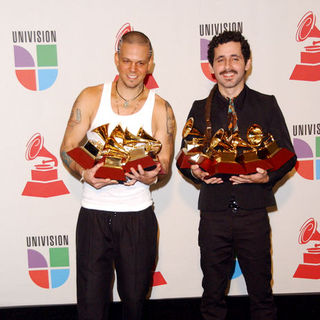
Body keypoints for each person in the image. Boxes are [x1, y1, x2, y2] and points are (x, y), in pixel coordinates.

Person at [177, 31, 296, 320]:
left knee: (262, 296)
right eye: (220, 59)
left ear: (247, 63)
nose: (227, 65)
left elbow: (287, 154)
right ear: (211, 67)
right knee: (212, 297)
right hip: (214, 215)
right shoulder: (198, 108)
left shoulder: (266, 104)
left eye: (234, 58)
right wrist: (195, 173)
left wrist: (266, 177)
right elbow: (185, 157)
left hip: (253, 213)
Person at [60, 31, 175, 320]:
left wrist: (154, 176)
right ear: (116, 60)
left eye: (140, 63)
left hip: (137, 217)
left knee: (135, 304)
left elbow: (165, 164)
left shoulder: (161, 108)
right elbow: (67, 149)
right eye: (126, 61)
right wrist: (85, 173)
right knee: (90, 305)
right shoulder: (90, 97)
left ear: (150, 64)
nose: (133, 69)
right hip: (93, 215)